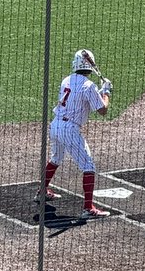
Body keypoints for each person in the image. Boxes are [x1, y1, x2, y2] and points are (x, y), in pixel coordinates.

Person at [41, 48, 113, 221]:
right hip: (69, 130)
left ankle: (42, 191)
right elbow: (102, 110)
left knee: (56, 158)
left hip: (56, 125)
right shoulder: (88, 86)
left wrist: (101, 91)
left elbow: (83, 100)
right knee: (88, 166)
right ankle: (88, 208)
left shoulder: (66, 80)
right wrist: (106, 92)